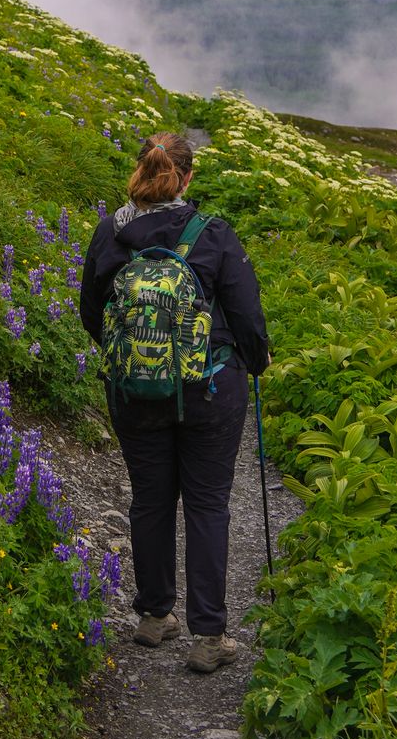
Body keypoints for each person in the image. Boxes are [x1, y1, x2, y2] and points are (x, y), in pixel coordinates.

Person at [78, 131, 270, 674]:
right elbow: (247, 315)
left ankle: (153, 616)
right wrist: (255, 360)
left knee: (151, 499)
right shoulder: (214, 234)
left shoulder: (109, 232)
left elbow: (92, 312)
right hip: (210, 386)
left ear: (141, 172)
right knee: (208, 503)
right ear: (187, 177)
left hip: (135, 389)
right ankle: (209, 636)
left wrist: (138, 361)